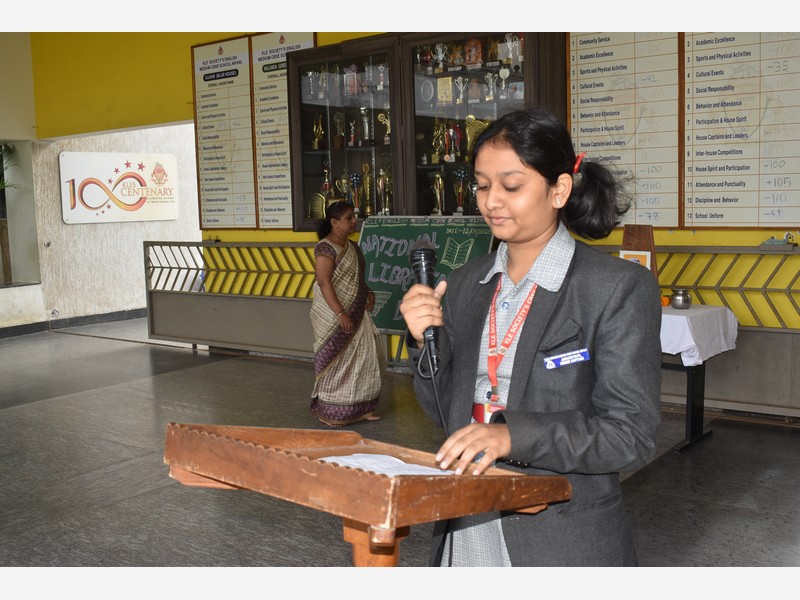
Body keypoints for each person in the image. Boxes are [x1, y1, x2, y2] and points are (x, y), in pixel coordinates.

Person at [399, 107, 662, 566]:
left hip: (560, 537)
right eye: (482, 186)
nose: (491, 201)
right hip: (467, 519)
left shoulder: (614, 288)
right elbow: (445, 412)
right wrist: (426, 343)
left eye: (512, 186)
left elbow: (629, 433)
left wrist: (510, 436)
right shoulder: (464, 284)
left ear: (559, 189)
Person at [310, 200, 385, 427]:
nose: (354, 221)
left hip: (356, 311)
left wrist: (368, 291)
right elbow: (324, 282)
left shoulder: (353, 248)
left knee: (364, 358)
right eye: (349, 218)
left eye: (354, 216)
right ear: (334, 223)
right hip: (332, 313)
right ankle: (333, 412)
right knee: (337, 362)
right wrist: (340, 313)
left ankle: (362, 409)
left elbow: (356, 280)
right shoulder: (325, 248)